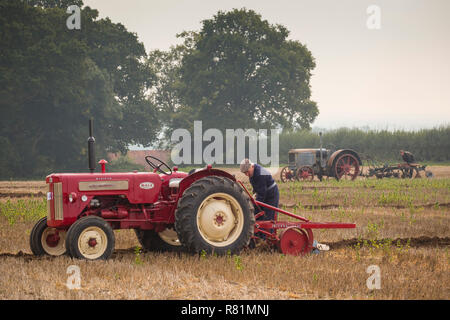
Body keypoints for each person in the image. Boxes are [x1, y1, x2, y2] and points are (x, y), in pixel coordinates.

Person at [240, 159, 279, 241]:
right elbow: (256, 189)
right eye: (245, 173)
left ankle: (268, 239)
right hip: (263, 192)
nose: (247, 174)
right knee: (258, 215)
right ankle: (259, 237)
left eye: (247, 172)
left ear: (252, 166)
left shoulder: (260, 173)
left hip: (271, 194)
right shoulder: (252, 174)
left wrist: (255, 207)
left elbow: (262, 194)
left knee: (269, 217)